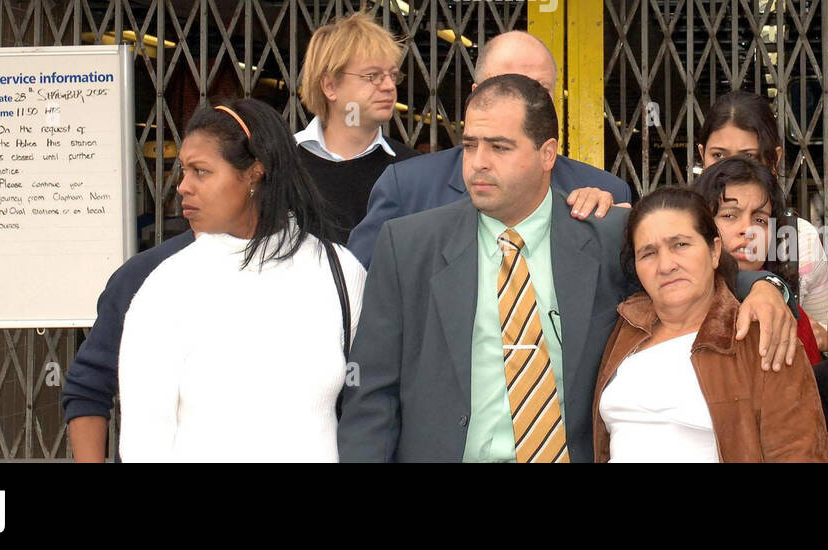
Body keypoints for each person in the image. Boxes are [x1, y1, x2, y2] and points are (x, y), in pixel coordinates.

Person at [337, 75, 798, 463]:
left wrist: (766, 286)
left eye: (500, 146)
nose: (478, 162)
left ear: (547, 155)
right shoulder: (409, 244)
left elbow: (691, 271)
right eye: (471, 144)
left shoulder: (606, 235)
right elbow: (371, 396)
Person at [118, 98, 364, 461]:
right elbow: (145, 441)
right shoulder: (167, 288)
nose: (183, 186)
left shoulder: (339, 271)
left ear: (255, 172)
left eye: (201, 171)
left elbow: (374, 408)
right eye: (183, 170)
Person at [347, 30, 632, 268]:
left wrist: (613, 228)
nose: (523, 101)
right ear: (475, 94)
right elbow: (358, 292)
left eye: (539, 89)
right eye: (505, 86)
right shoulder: (407, 188)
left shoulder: (603, 193)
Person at [594, 187, 828, 462]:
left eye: (680, 245)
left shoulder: (760, 335)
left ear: (714, 251)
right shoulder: (624, 330)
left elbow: (798, 451)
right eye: (648, 253)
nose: (666, 265)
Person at [698, 92, 828, 342]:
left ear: (775, 160)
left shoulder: (799, 240)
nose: (733, 168)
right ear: (701, 154)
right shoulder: (678, 228)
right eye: (718, 156)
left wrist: (814, 337)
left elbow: (823, 328)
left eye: (749, 156)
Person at [62, 225, 195, 462]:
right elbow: (88, 388)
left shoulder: (281, 273)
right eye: (179, 184)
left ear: (254, 184)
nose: (184, 188)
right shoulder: (146, 273)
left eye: (204, 183)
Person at [295, 10, 419, 236]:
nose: (389, 86)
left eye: (392, 75)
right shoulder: (282, 163)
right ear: (330, 86)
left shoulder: (412, 170)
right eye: (372, 76)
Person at [695, 156, 822, 363]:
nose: (748, 229)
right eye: (729, 215)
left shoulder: (787, 314)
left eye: (760, 220)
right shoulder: (677, 297)